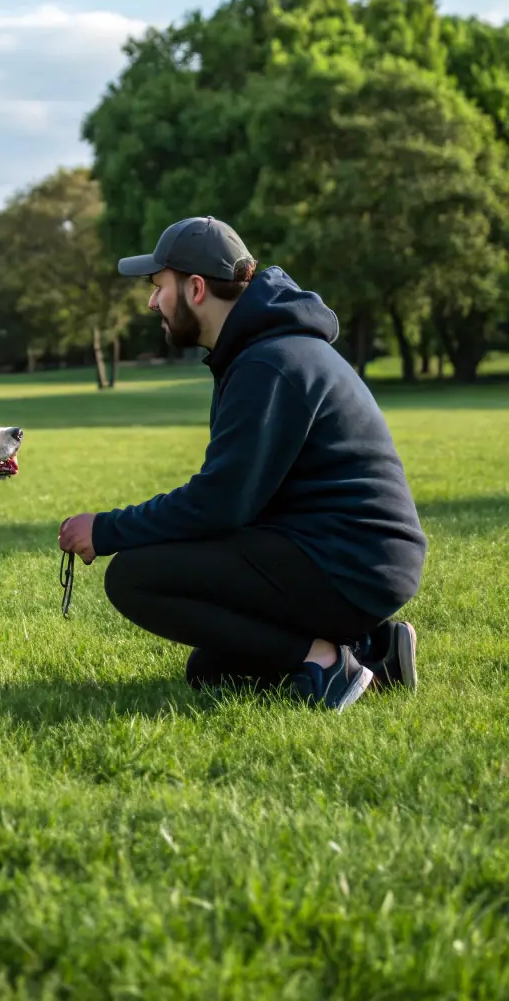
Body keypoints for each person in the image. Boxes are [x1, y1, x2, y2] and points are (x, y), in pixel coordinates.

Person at [58, 216, 427, 712]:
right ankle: (375, 653)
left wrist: (106, 529)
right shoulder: (261, 350)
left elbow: (220, 503)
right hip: (346, 554)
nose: (151, 302)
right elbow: (235, 501)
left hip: (352, 561)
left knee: (135, 577)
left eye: (157, 286)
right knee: (212, 670)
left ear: (195, 287)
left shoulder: (269, 362)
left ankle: (327, 663)